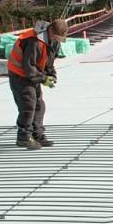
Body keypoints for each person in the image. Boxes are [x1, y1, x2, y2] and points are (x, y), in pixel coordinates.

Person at [7, 18, 67, 149]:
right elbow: (29, 67)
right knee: (28, 104)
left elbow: (49, 62)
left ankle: (37, 134)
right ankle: (23, 136)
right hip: (19, 74)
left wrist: (51, 75)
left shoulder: (53, 41)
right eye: (56, 37)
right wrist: (43, 79)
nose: (57, 40)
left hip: (33, 74)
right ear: (50, 30)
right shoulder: (34, 41)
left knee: (39, 105)